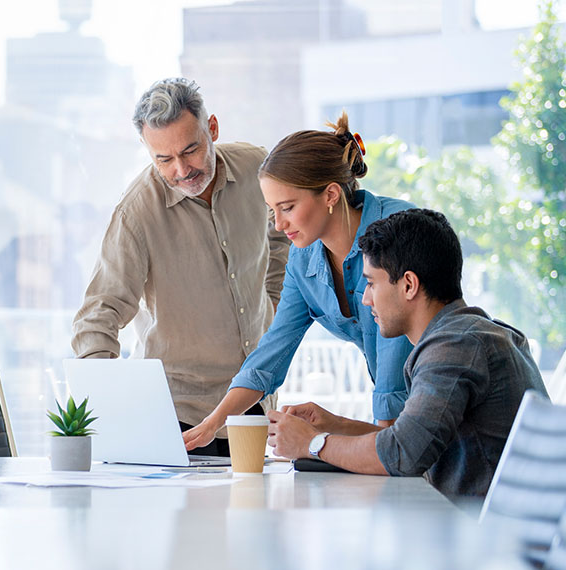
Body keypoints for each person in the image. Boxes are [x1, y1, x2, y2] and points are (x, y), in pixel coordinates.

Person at [71, 77, 291, 456]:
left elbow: (281, 234)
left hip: (253, 404)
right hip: (179, 417)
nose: (181, 170)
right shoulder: (136, 213)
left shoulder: (258, 166)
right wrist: (111, 412)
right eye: (163, 159)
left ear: (213, 129)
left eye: (190, 150)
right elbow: (98, 316)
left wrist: (271, 302)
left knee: (254, 513)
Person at [267, 208, 550, 500]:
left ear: (409, 285)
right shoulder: (471, 333)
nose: (365, 299)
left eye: (372, 283)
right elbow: (411, 440)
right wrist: (334, 426)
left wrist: (313, 443)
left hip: (485, 537)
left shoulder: (454, 346)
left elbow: (403, 455)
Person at [184, 113, 415, 452]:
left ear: (331, 194)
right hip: (404, 424)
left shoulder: (397, 232)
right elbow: (271, 353)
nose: (279, 225)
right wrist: (212, 424)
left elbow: (394, 372)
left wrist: (339, 444)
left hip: (441, 403)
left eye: (288, 207)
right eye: (272, 211)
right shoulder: (304, 258)